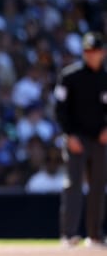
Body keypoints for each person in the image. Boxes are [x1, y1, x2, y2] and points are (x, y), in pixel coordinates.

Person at [54, 31, 107, 248]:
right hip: (76, 139)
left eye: (94, 51)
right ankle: (69, 235)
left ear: (102, 52)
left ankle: (95, 235)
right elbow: (59, 109)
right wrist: (68, 134)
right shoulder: (69, 76)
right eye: (87, 51)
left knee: (98, 186)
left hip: (101, 139)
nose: (91, 55)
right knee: (72, 185)